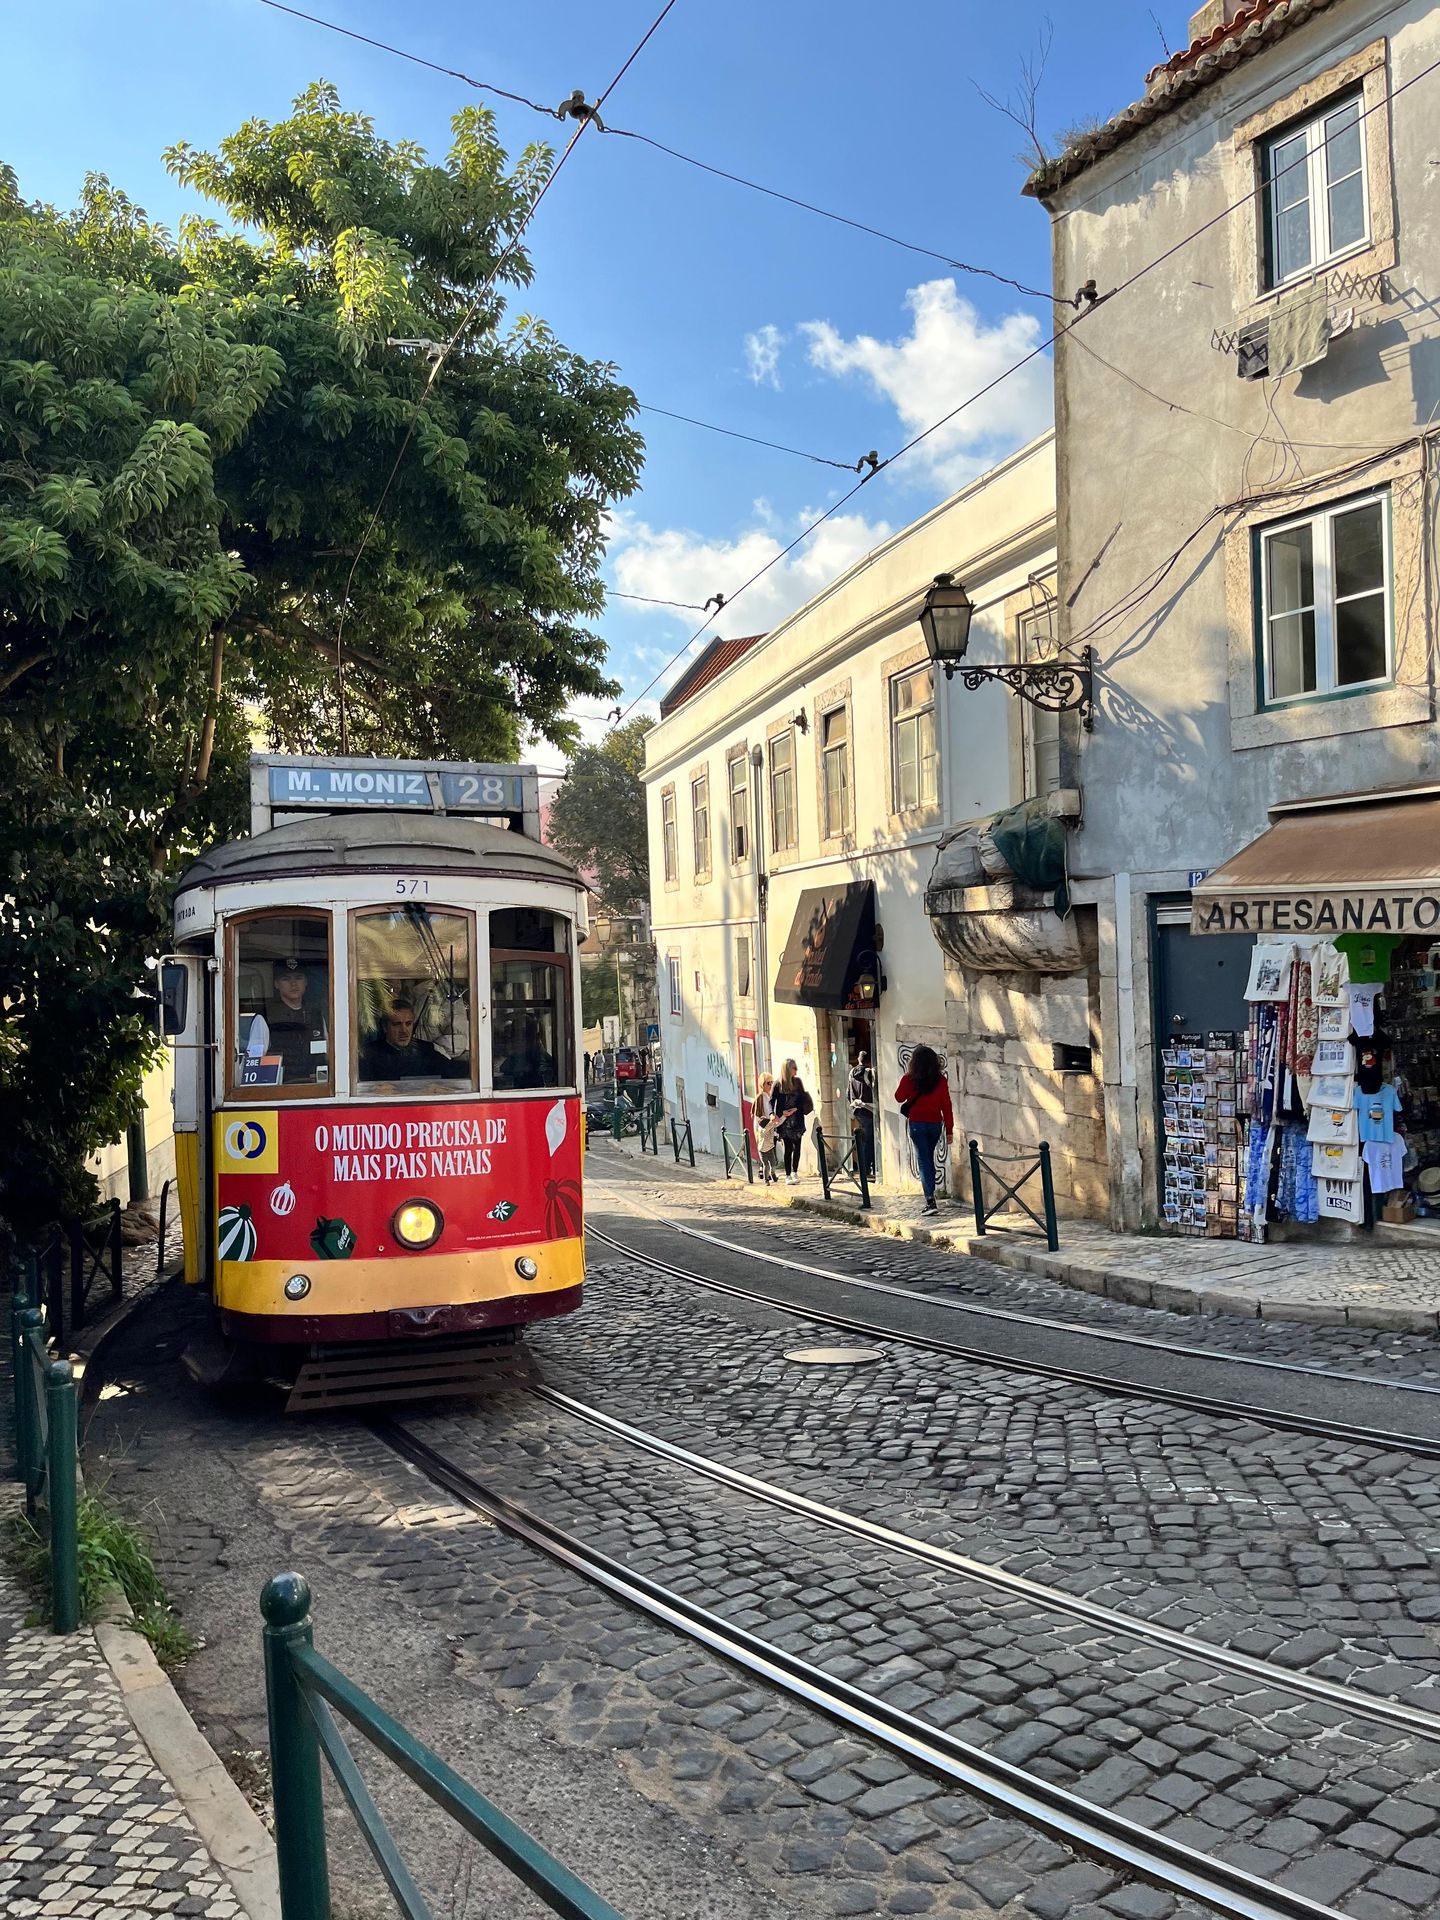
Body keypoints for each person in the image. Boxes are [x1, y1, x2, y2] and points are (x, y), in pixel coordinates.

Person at [894, 1045, 953, 1214]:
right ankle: (931, 1195)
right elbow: (946, 1106)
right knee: (929, 1158)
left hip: (917, 1124)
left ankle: (930, 1200)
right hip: (935, 1124)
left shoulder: (909, 1079)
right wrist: (949, 1130)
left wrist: (906, 1078)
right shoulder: (940, 1081)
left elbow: (898, 1097)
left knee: (923, 1160)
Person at [360, 999, 465, 1082]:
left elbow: (452, 1071)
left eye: (408, 1024)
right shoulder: (368, 1054)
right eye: (397, 1024)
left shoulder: (426, 1050)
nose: (404, 1031)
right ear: (384, 1026)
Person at [266, 958, 328, 1084]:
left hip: (317, 1083)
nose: (293, 984)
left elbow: (327, 1050)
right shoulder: (266, 1015)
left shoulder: (316, 1013)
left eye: (298, 978)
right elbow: (258, 1056)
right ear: (276, 984)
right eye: (286, 979)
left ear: (306, 982)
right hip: (281, 1085)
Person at [772, 1058, 814, 1185]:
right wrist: (776, 1114)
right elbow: (772, 1101)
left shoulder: (798, 1082)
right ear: (787, 1069)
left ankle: (795, 1172)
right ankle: (788, 1174)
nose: (796, 1070)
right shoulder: (778, 1084)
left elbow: (802, 1099)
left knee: (797, 1146)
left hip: (797, 1119)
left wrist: (796, 1108)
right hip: (785, 1120)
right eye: (794, 1068)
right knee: (788, 1147)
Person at [497, 1017, 557, 1090]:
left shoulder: (544, 1062)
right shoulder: (514, 1057)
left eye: (524, 1035)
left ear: (536, 1037)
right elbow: (503, 1073)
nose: (517, 1040)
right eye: (515, 1035)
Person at [848, 1049, 877, 1182]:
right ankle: (866, 1170)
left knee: (863, 1139)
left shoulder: (851, 1073)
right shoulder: (869, 1073)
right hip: (868, 1110)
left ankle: (863, 1168)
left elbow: (849, 1093)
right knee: (869, 1141)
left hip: (857, 1110)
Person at [753, 1072, 780, 1184]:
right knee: (766, 1149)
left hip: (768, 1126)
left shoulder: (768, 1096)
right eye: (768, 1083)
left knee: (769, 1150)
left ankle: (767, 1173)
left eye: (771, 1083)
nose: (770, 1085)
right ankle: (766, 1174)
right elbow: (767, 1113)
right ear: (762, 1084)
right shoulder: (762, 1097)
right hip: (764, 1127)